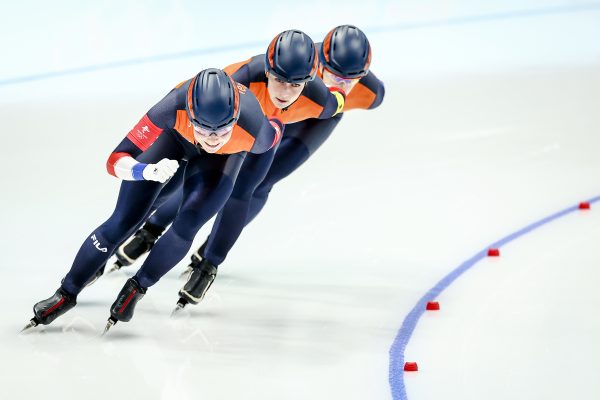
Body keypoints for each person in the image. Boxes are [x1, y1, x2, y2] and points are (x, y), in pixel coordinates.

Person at [115, 25, 384, 311]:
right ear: (319, 62)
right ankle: (153, 228)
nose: (342, 83)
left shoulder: (370, 93)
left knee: (257, 185)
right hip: (261, 121)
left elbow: (335, 101)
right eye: (334, 74)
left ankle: (209, 260)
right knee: (211, 179)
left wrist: (334, 100)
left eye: (352, 79)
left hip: (312, 120)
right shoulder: (290, 62)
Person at [23, 68, 283, 332]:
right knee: (124, 220)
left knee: (189, 222)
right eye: (204, 129)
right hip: (175, 140)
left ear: (237, 118)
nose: (213, 138)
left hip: (226, 157)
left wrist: (248, 185)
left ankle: (137, 288)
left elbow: (276, 130)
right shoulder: (170, 107)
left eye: (223, 129)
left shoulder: (256, 129)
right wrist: (144, 170)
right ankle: (65, 294)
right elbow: (114, 160)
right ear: (190, 115)